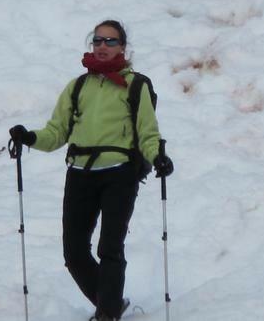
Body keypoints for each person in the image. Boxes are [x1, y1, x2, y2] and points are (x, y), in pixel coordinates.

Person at [9, 20, 174, 321]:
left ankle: (107, 314)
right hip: (80, 174)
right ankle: (110, 303)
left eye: (110, 41)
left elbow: (148, 133)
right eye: (97, 40)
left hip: (120, 173)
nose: (102, 46)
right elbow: (56, 133)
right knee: (73, 253)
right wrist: (29, 137)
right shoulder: (77, 87)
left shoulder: (136, 85)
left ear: (122, 47)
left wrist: (158, 157)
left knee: (110, 248)